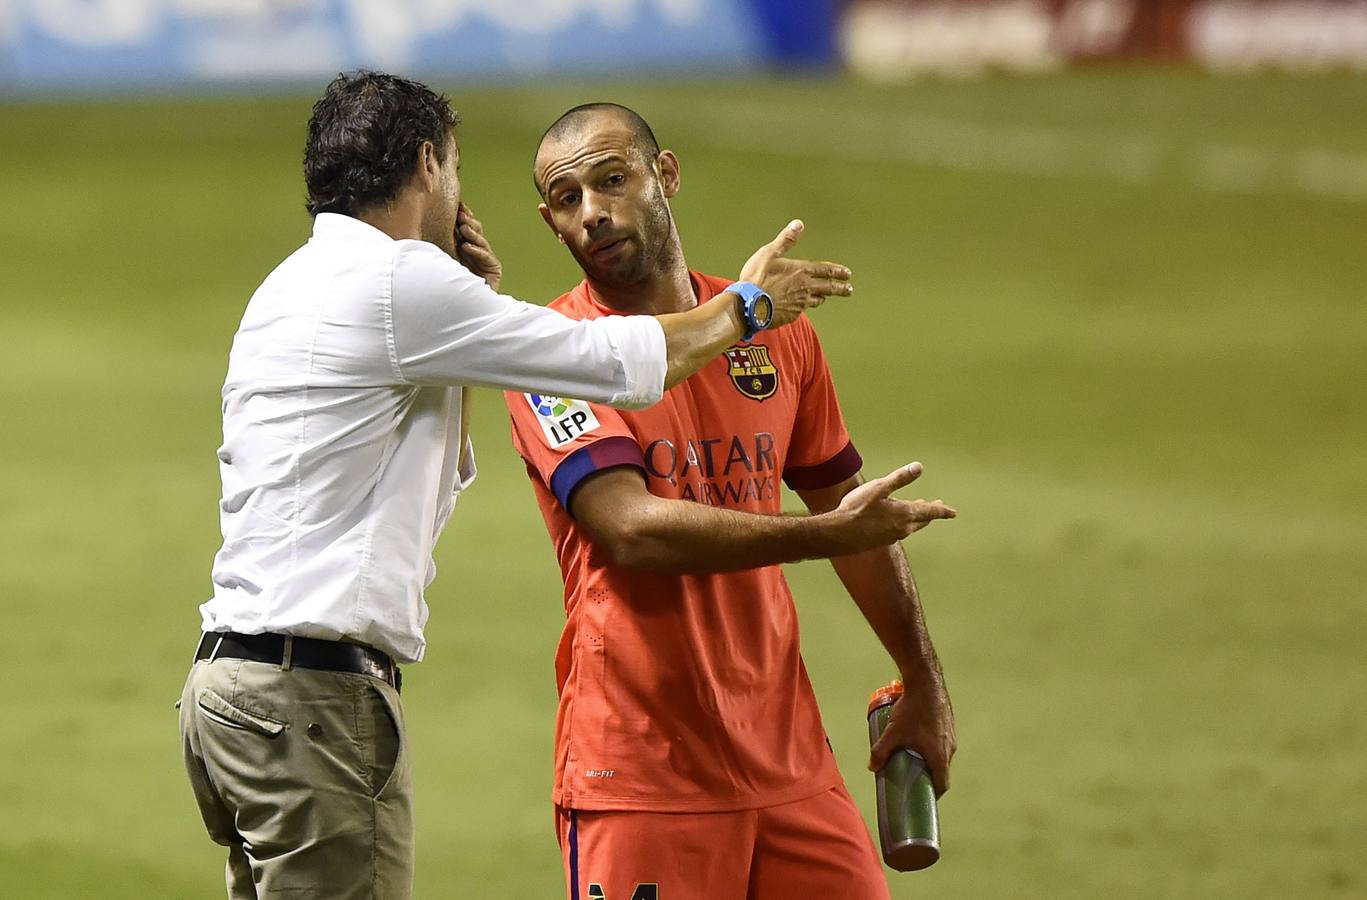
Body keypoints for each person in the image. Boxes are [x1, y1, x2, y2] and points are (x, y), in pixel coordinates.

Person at [177, 72, 855, 900]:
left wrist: (478, 309)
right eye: (455, 169)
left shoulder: (287, 289)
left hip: (230, 695)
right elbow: (620, 364)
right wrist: (747, 308)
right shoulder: (398, 285)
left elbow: (429, 465)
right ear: (428, 164)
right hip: (312, 699)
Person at [503, 103, 958, 900]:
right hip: (639, 774)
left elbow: (854, 518)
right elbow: (631, 531)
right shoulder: (553, 354)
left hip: (788, 762)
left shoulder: (779, 334)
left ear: (666, 174)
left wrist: (920, 675)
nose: (593, 213)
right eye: (567, 200)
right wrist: (822, 533)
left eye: (613, 180)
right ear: (550, 221)